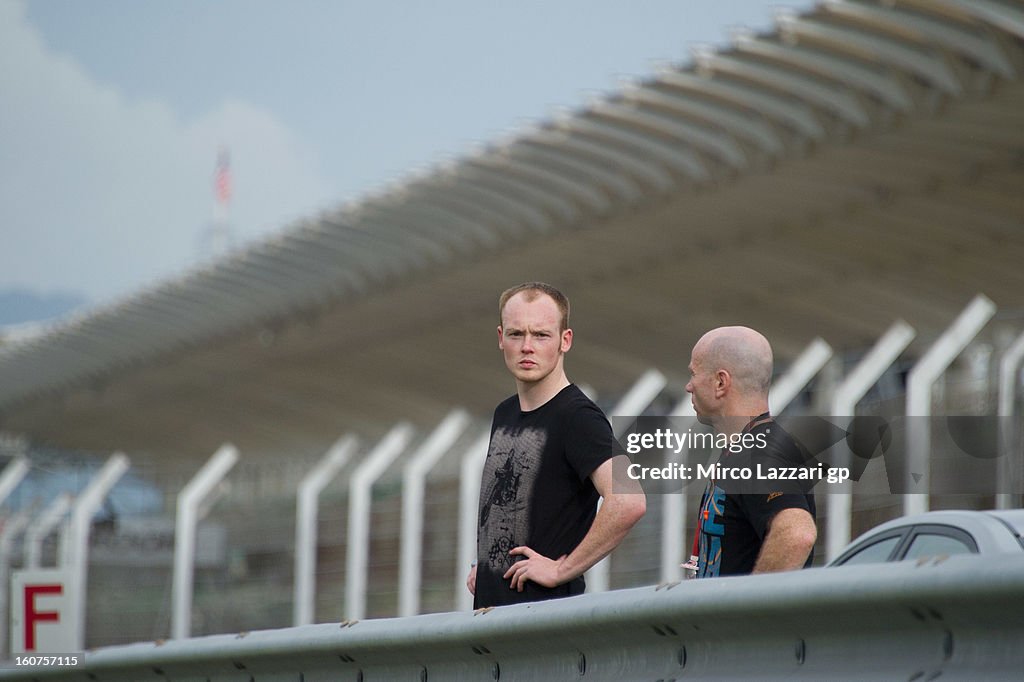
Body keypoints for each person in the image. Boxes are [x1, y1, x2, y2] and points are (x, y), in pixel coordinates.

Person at [467, 282, 646, 608]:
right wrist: (488, 567)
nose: (527, 346)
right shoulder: (504, 413)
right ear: (500, 339)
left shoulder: (578, 417)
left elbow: (629, 499)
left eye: (541, 335)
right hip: (490, 620)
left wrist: (561, 569)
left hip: (545, 622)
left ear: (565, 340)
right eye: (516, 334)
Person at [685, 326, 817, 577]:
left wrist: (748, 607)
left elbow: (797, 534)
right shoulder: (745, 449)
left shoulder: (759, 453)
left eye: (693, 373)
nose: (688, 386)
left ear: (720, 382)